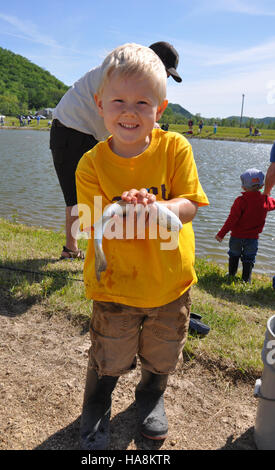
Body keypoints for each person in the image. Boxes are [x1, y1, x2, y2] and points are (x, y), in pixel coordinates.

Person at [75, 43, 209, 450]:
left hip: (170, 285)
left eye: (142, 102)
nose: (129, 111)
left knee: (163, 353)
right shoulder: (91, 164)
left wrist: (158, 206)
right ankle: (96, 404)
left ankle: (151, 395)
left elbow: (189, 205)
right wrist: (122, 207)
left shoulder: (176, 149)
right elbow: (92, 225)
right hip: (114, 285)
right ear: (100, 104)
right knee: (108, 355)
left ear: (160, 109)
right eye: (118, 100)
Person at [50, 41, 182, 260]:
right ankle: (71, 248)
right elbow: (123, 118)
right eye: (166, 72)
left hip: (89, 133)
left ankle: (109, 243)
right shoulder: (118, 70)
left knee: (105, 196)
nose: (165, 78)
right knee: (75, 198)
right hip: (69, 130)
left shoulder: (131, 73)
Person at [215, 168, 275, 283]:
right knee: (249, 258)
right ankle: (246, 279)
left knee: (234, 255)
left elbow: (231, 220)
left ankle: (231, 275)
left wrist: (221, 234)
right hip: (253, 238)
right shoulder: (265, 200)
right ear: (262, 185)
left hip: (237, 236)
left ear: (243, 187)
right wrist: (267, 195)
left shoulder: (240, 201)